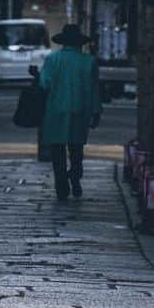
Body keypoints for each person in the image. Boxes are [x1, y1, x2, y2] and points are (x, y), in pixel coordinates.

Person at [39, 23, 101, 201]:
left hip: (55, 110)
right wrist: (95, 112)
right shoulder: (89, 62)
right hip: (79, 110)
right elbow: (94, 90)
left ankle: (61, 186)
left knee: (57, 151)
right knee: (76, 149)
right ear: (80, 43)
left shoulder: (52, 60)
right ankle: (75, 175)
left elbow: (44, 84)